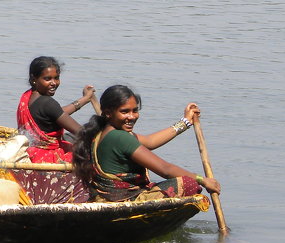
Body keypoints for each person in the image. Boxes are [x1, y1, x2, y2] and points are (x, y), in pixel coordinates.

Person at [73, 84, 222, 202]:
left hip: (109, 197)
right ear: (108, 113)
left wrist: (184, 122)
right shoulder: (120, 137)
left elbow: (150, 142)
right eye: (125, 112)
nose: (132, 117)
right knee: (189, 184)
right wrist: (202, 180)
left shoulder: (103, 131)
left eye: (135, 110)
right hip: (123, 199)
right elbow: (165, 169)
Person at [16, 56, 95, 163]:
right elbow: (82, 133)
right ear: (34, 79)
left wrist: (85, 99)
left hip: (31, 151)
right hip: (47, 156)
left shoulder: (28, 97)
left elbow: (55, 113)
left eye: (56, 78)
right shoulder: (48, 103)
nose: (54, 83)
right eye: (47, 79)